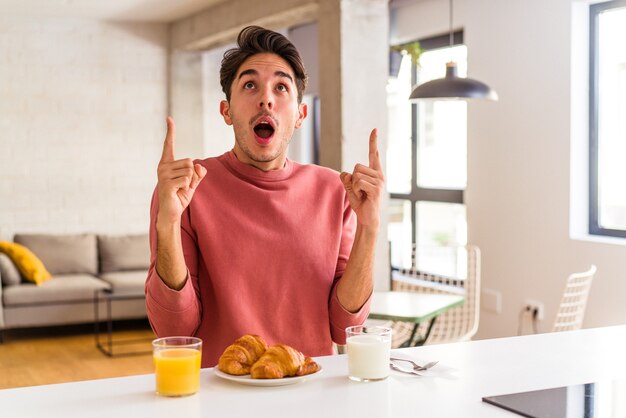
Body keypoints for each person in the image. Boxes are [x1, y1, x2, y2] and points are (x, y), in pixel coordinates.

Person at [145, 26, 384, 368]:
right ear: (227, 111)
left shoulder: (335, 191)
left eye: (281, 87)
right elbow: (174, 330)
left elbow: (345, 329)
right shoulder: (186, 190)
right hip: (222, 392)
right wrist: (167, 224)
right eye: (250, 85)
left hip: (311, 390)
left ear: (300, 115)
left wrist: (370, 228)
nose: (266, 99)